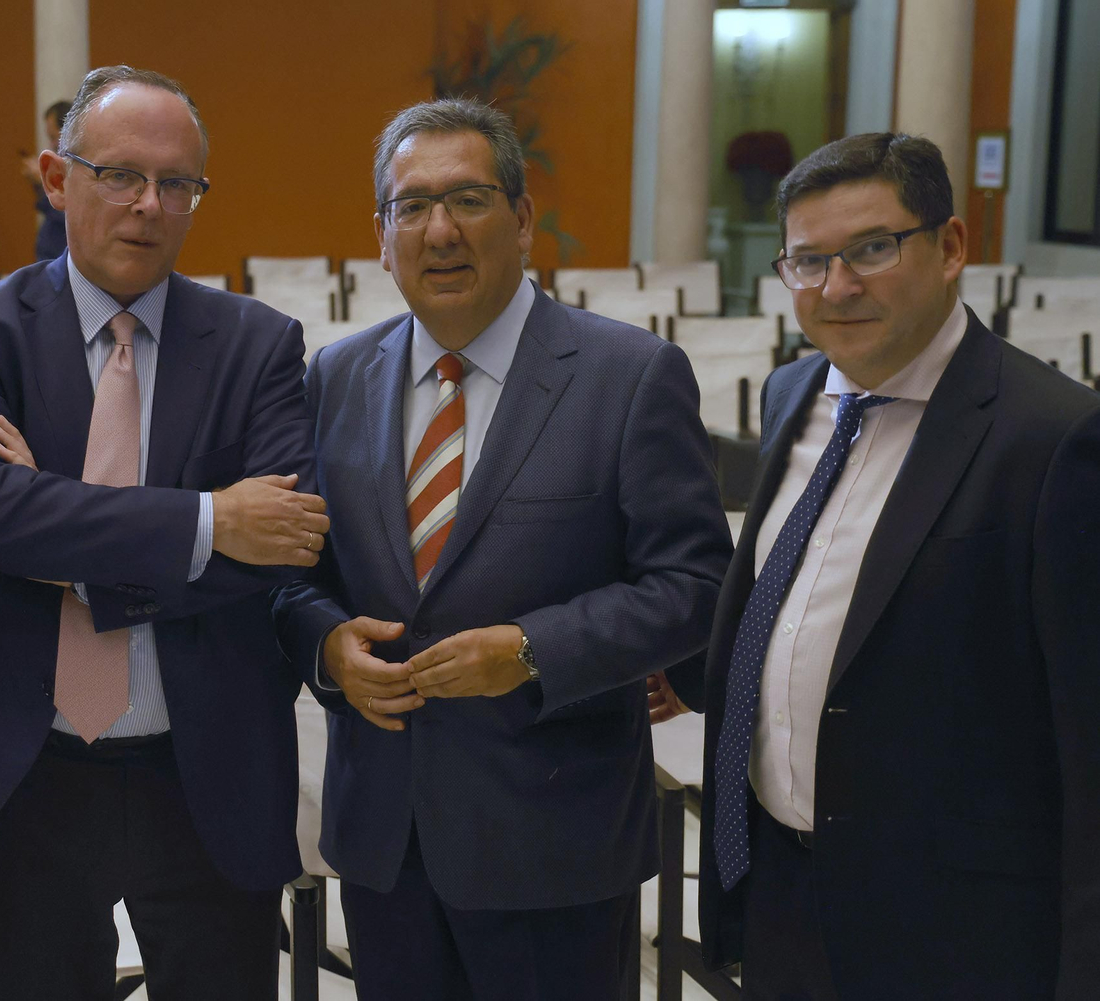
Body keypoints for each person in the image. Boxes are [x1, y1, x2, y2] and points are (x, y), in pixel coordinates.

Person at [271, 98, 733, 1000]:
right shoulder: (333, 376)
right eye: (412, 206)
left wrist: (529, 651)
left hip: (555, 840)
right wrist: (328, 646)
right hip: (385, 840)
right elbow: (296, 579)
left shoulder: (628, 376)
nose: (439, 230)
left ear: (522, 220)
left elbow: (696, 584)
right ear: (381, 233)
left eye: (469, 200)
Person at [0, 64, 328, 1001]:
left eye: (176, 182)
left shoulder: (258, 342)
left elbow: (285, 541)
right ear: (57, 178)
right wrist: (207, 518)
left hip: (205, 771)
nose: (149, 204)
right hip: (27, 774)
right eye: (120, 175)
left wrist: (54, 533)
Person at [697, 133, 1100, 999]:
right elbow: (802, 611)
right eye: (808, 260)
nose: (838, 287)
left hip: (955, 936)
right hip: (784, 894)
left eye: (873, 248)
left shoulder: (1055, 435)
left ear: (951, 246)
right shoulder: (792, 393)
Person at [25, 99, 71, 261]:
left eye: (53, 137)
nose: (51, 144)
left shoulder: (79, 172)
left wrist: (42, 181)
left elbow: (65, 213)